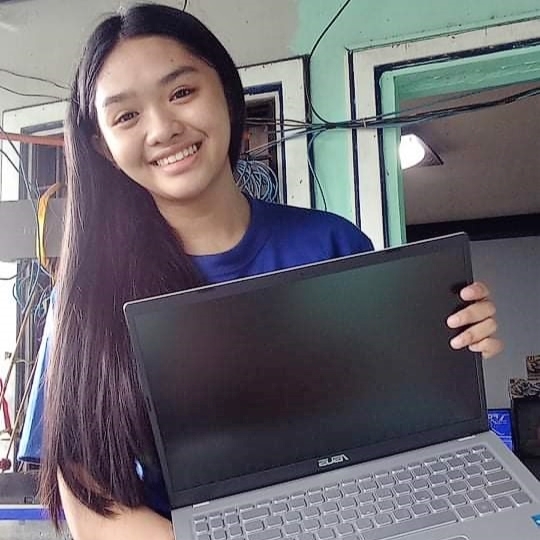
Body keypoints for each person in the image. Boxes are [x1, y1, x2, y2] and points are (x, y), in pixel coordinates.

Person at [17, 4, 502, 539]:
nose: (163, 129)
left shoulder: (332, 243)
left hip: (365, 517)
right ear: (102, 148)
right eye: (126, 116)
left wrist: (452, 349)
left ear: (226, 93)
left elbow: (400, 417)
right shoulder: (87, 297)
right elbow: (91, 501)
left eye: (181, 92)